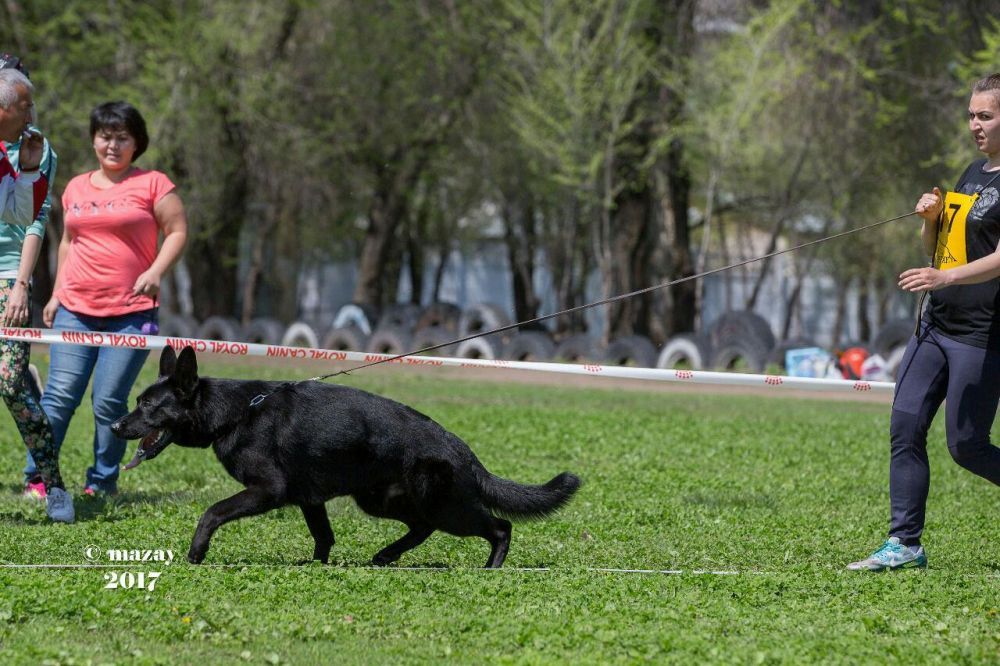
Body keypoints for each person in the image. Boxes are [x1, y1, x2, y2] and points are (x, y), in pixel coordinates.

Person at [848, 73, 1000, 571]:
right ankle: (905, 544)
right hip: (935, 326)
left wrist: (947, 276)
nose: (975, 125)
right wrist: (930, 220)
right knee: (906, 425)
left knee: (967, 446)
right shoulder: (972, 173)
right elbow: (939, 251)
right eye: (971, 115)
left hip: (982, 333)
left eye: (986, 115)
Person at [26, 101, 188, 496]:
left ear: (137, 143)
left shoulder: (154, 184)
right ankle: (38, 478)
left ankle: (102, 481)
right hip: (74, 309)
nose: (111, 145)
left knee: (109, 401)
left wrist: (154, 273)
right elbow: (68, 241)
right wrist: (57, 293)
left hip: (130, 313)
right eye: (104, 136)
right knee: (60, 397)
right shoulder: (77, 186)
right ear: (94, 140)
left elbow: (178, 232)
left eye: (121, 137)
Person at [0, 64, 73, 521]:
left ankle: (54, 486)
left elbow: (30, 217)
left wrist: (20, 286)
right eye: (25, 103)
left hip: (8, 275)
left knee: (9, 383)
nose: (33, 111)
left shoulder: (35, 145)